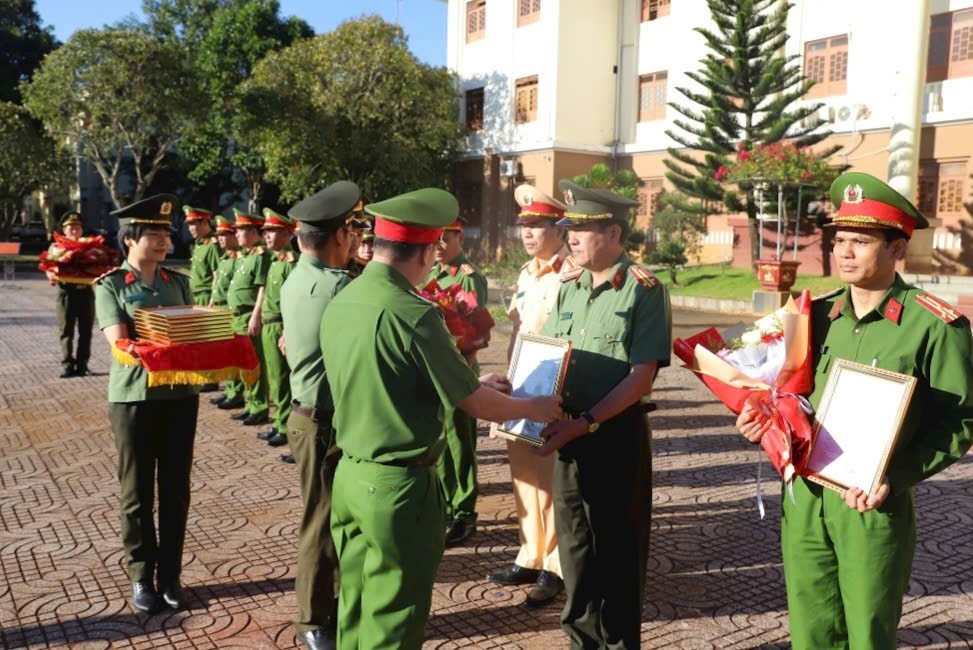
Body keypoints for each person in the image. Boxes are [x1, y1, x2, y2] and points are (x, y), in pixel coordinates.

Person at [736, 172, 973, 650]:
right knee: (811, 629)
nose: (844, 251)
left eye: (860, 241)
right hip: (804, 499)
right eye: (840, 239)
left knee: (867, 632)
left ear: (895, 250)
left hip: (871, 504)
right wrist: (763, 421)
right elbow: (789, 395)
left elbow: (961, 420)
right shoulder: (813, 317)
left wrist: (897, 474)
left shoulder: (934, 325)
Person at [320, 187, 563, 650]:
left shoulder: (344, 300)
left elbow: (389, 376)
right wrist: (531, 407)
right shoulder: (413, 312)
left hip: (350, 476)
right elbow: (476, 404)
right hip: (398, 490)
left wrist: (474, 385)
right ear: (428, 250)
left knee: (354, 607)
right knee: (394, 620)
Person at [537, 179, 671, 649]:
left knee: (616, 553)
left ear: (614, 234)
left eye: (584, 228)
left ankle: (616, 644)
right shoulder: (568, 285)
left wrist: (587, 420)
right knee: (574, 550)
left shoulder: (643, 291)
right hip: (568, 436)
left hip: (614, 437)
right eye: (570, 228)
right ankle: (581, 641)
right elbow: (548, 356)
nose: (571, 237)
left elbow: (640, 379)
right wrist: (522, 403)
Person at [92, 194, 200, 614]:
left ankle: (170, 575)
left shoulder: (178, 283)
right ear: (129, 239)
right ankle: (141, 576)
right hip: (135, 398)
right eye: (153, 234)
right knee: (136, 494)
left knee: (175, 491)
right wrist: (165, 343)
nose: (162, 242)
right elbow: (120, 343)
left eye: (165, 235)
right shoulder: (112, 286)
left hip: (179, 396)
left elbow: (191, 331)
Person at [280, 181, 361, 650]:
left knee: (326, 515)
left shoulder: (297, 277)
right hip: (322, 420)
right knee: (321, 518)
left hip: (308, 415)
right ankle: (313, 619)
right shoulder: (337, 286)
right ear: (338, 237)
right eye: (350, 232)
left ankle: (326, 609)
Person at [487, 184, 574, 607]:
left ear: (559, 228)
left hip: (555, 387)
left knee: (551, 477)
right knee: (523, 475)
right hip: (522, 384)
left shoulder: (571, 274)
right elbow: (520, 330)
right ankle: (530, 553)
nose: (527, 233)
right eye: (523, 225)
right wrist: (506, 376)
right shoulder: (526, 273)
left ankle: (554, 565)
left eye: (537, 225)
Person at [425, 218, 489, 546]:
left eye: (444, 239)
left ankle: (464, 513)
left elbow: (473, 334)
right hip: (437, 374)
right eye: (434, 240)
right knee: (442, 444)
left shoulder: (468, 277)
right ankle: (446, 506)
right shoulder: (431, 274)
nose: (438, 246)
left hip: (460, 372)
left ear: (458, 237)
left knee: (461, 445)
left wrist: (460, 377)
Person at [227, 208, 272, 426]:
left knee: (254, 363)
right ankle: (250, 403)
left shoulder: (261, 256)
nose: (236, 234)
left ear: (255, 232)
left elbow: (262, 287)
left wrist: (256, 315)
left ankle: (260, 406)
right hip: (236, 318)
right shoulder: (245, 257)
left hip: (248, 316)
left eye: (242, 230)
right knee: (244, 364)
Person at [257, 208, 298, 448]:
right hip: (268, 324)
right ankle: (280, 422)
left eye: (273, 231)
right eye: (266, 231)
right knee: (274, 378)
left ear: (288, 234)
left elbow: (292, 301)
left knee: (283, 379)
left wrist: (287, 331)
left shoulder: (291, 263)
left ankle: (285, 427)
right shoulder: (275, 261)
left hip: (280, 326)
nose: (267, 236)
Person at [48, 211, 95, 378]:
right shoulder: (57, 248)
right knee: (66, 331)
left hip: (86, 293)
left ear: (82, 230)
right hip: (66, 293)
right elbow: (49, 267)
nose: (74, 231)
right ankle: (68, 364)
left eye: (77, 228)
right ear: (64, 229)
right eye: (71, 228)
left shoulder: (91, 247)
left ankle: (83, 365)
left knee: (86, 330)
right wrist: (53, 273)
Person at [209, 215, 247, 410]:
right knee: (225, 354)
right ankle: (230, 389)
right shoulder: (225, 258)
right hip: (220, 308)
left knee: (234, 355)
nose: (221, 239)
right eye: (219, 236)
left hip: (231, 310)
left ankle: (237, 392)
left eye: (225, 235)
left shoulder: (239, 259)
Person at [183, 206, 221, 306]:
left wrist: (213, 300)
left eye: (193, 224)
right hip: (194, 297)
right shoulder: (198, 244)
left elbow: (217, 274)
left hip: (205, 298)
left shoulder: (212, 245)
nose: (190, 229)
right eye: (189, 225)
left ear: (204, 222)